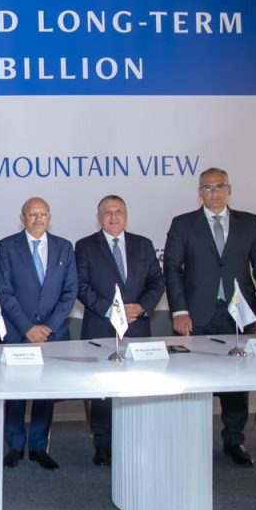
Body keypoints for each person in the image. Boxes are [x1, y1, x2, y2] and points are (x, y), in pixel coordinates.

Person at [163, 167, 256, 467]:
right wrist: (179, 310)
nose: (213, 192)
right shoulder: (183, 224)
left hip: (239, 314)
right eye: (207, 187)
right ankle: (190, 441)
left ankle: (234, 440)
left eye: (219, 186)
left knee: (237, 382)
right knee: (191, 380)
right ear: (199, 192)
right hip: (196, 315)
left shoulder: (250, 223)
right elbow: (171, 268)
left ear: (229, 189)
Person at [75, 195, 165, 466]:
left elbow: (157, 282)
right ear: (98, 217)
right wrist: (111, 309)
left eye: (118, 211)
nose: (113, 217)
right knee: (104, 390)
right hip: (101, 326)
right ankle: (102, 445)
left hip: (137, 326)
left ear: (126, 216)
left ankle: (137, 443)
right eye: (107, 212)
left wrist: (141, 307)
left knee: (137, 388)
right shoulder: (85, 246)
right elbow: (81, 286)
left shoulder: (143, 244)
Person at [0, 197, 78, 471]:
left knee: (46, 392)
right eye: (32, 214)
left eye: (43, 214)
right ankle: (14, 446)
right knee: (15, 392)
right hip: (18, 332)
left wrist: (49, 327)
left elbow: (70, 292)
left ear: (49, 217)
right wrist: (27, 328)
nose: (38, 218)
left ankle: (39, 447)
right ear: (23, 219)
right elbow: (4, 291)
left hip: (52, 335)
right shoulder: (7, 247)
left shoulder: (64, 247)